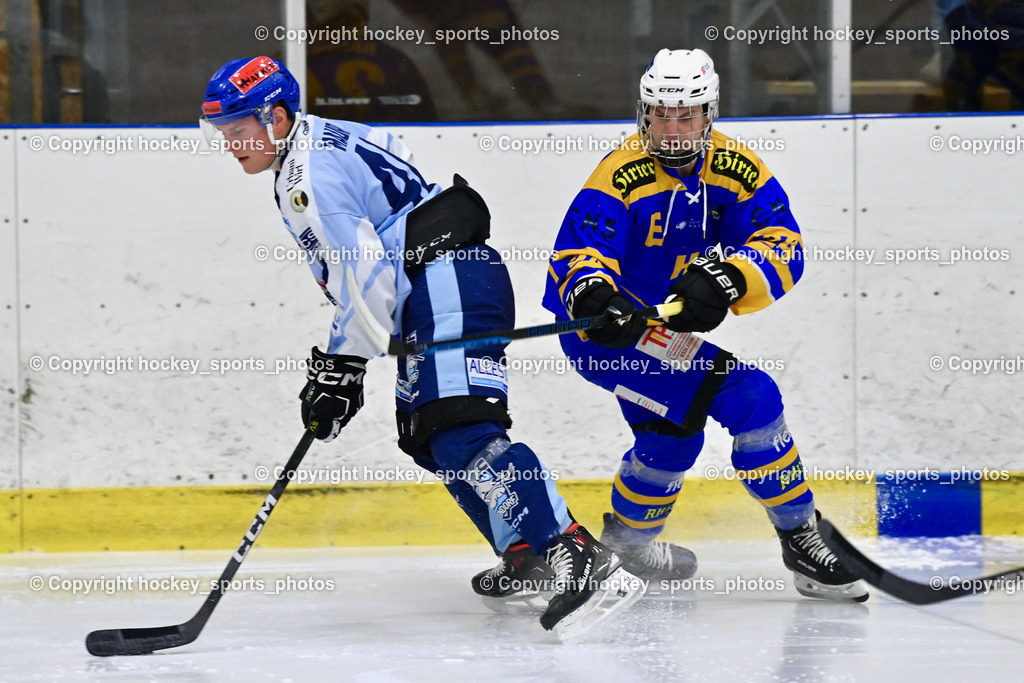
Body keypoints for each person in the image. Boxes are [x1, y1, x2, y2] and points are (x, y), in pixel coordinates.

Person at [199, 56, 642, 636]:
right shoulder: (320, 141)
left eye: (238, 130)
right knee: (430, 436)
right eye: (223, 134)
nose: (231, 145)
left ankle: (572, 548)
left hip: (447, 280)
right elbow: (382, 250)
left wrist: (342, 366)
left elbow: (367, 275)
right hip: (442, 282)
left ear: (276, 118)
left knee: (462, 429)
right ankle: (526, 554)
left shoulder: (305, 175)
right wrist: (344, 360)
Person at [483, 48, 869, 603]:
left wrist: (731, 277)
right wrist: (596, 292)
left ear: (709, 114)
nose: (673, 127)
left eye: (686, 115)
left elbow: (782, 243)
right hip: (603, 336)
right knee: (751, 395)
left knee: (671, 437)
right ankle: (801, 538)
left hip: (656, 335)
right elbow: (579, 251)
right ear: (644, 113)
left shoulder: (735, 166)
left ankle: (627, 546)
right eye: (661, 113)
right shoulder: (621, 171)